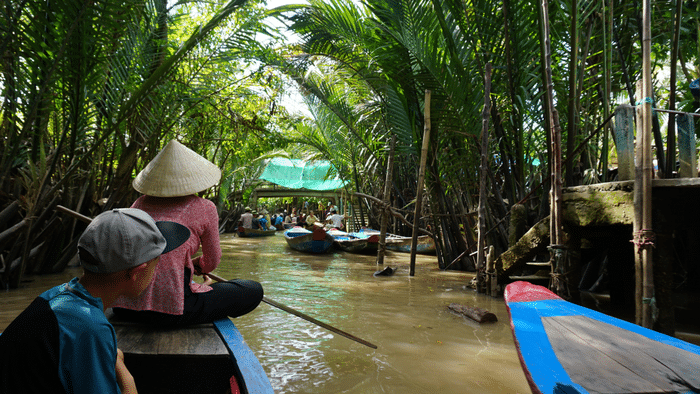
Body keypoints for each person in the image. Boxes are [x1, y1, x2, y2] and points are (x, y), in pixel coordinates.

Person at [0, 208, 190, 394]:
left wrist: (112, 356)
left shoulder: (54, 296)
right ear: (137, 272)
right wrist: (127, 382)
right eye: (156, 263)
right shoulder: (90, 328)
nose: (156, 272)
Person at [112, 140, 263, 327]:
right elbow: (212, 261)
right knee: (252, 289)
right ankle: (191, 295)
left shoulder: (139, 203)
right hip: (171, 312)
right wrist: (200, 265)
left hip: (122, 307)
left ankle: (191, 291)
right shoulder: (205, 207)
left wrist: (188, 264)